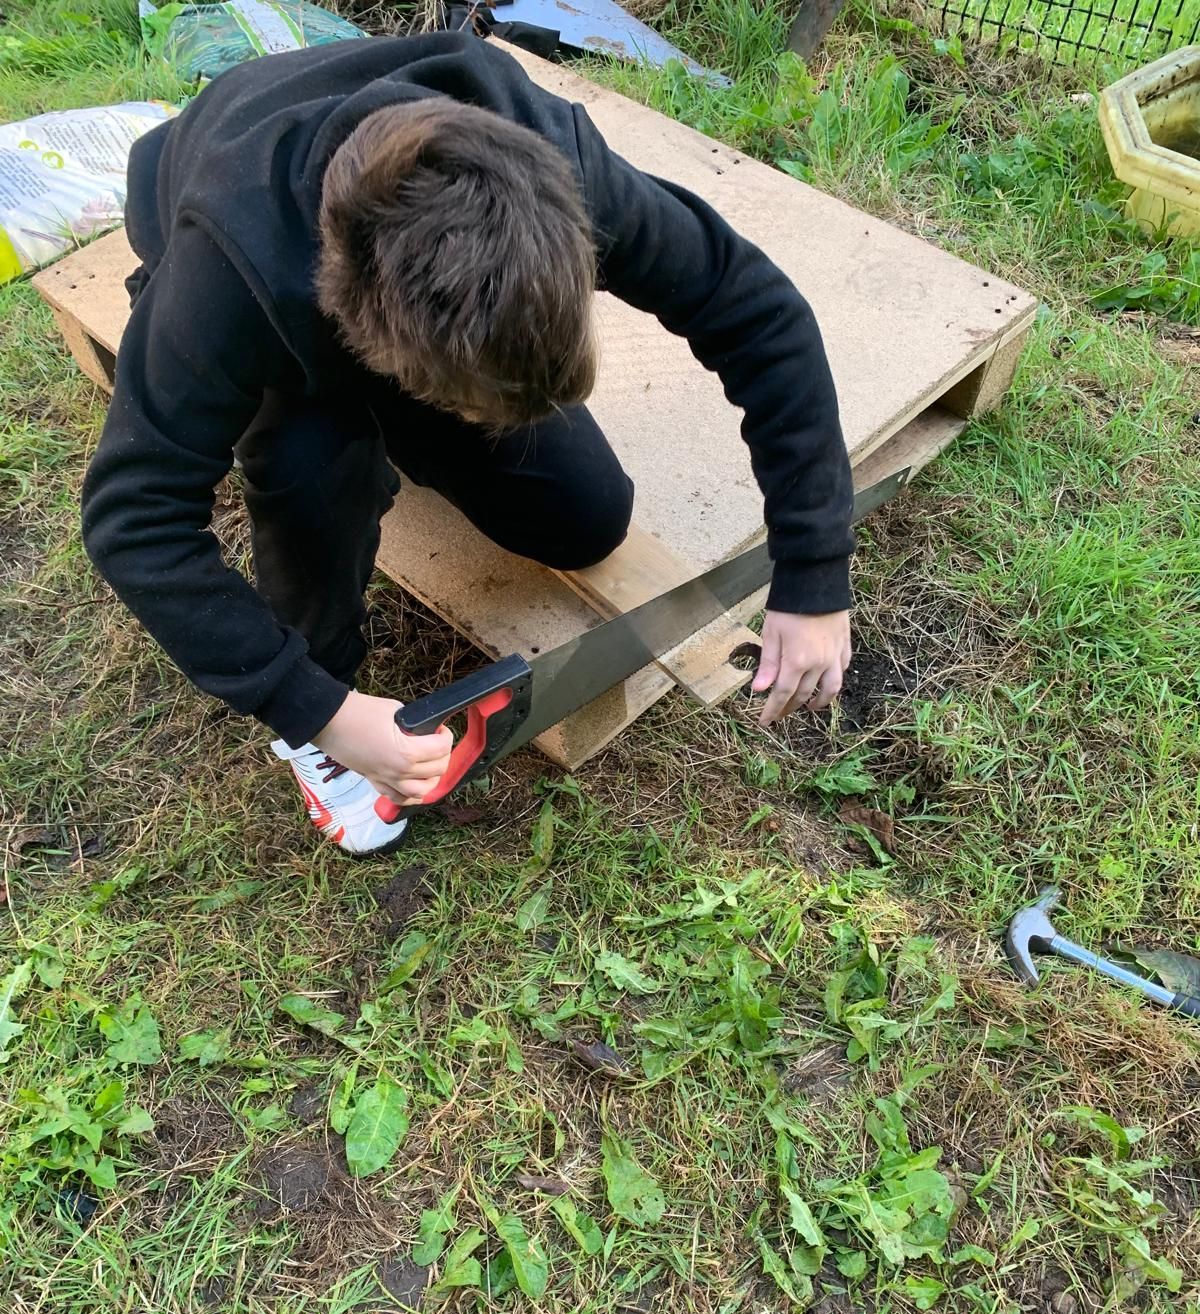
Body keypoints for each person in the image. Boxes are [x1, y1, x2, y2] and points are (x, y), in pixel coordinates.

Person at [82, 31, 855, 857]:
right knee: (308, 465)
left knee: (585, 517)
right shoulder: (228, 278)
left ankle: (409, 439)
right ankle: (321, 677)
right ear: (382, 352)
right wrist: (323, 711)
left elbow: (757, 313)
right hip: (207, 199)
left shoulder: (554, 162)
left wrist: (812, 572)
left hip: (375, 264)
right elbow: (135, 520)